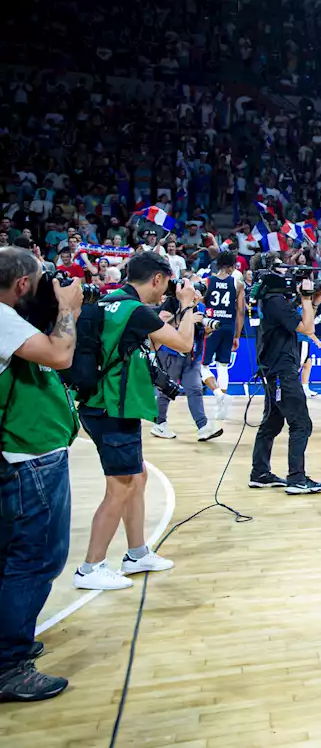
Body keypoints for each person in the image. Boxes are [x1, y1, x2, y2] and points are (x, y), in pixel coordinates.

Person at [75, 251, 190, 590]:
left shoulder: (112, 302)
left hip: (101, 404)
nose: (165, 291)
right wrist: (189, 306)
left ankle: (137, 553)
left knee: (136, 477)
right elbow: (183, 343)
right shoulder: (134, 310)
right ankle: (90, 568)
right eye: (166, 285)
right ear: (156, 278)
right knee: (122, 485)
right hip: (113, 407)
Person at [0, 248, 81, 701]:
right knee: (37, 559)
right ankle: (9, 665)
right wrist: (67, 308)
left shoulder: (10, 317)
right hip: (28, 454)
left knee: (14, 555)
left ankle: (9, 645)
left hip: (23, 450)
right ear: (23, 285)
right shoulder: (3, 318)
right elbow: (61, 354)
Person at [249, 266, 321, 494]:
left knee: (272, 423)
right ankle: (297, 478)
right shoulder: (276, 302)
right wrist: (305, 298)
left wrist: (311, 303)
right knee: (301, 423)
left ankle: (260, 473)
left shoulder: (270, 302)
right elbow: (308, 327)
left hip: (273, 369)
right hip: (283, 371)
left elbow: (299, 320)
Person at [150, 290, 223, 442]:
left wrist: (208, 330)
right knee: (166, 389)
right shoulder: (172, 302)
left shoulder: (201, 307)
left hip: (192, 354)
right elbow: (161, 324)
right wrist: (187, 319)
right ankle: (159, 423)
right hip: (171, 352)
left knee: (195, 389)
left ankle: (203, 427)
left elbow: (202, 333)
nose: (197, 293)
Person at [201, 250, 242, 416]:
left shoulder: (207, 281)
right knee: (222, 366)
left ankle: (218, 394)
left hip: (211, 326)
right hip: (228, 326)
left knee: (201, 366)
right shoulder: (238, 284)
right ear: (232, 266)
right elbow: (240, 312)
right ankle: (221, 409)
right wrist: (237, 335)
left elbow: (201, 306)